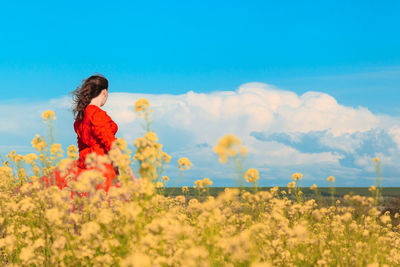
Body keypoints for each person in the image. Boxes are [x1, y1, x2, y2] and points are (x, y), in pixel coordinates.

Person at [42, 74, 138, 198]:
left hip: (85, 170)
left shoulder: (80, 118)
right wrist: (131, 175)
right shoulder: (97, 114)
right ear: (104, 92)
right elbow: (112, 147)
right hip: (103, 172)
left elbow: (82, 149)